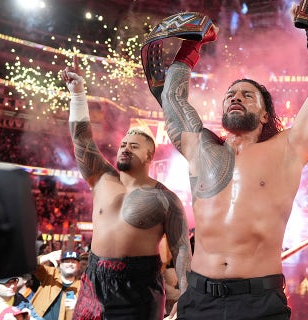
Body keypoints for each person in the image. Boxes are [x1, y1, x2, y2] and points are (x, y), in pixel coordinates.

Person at [156, 6, 308, 320]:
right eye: (231, 94)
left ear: (266, 114)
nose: (236, 97)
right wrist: (190, 47)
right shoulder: (202, 149)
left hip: (259, 302)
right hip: (199, 298)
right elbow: (173, 100)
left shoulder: (287, 149)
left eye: (247, 94)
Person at [60, 58, 191, 319]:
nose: (125, 147)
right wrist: (77, 94)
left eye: (134, 145)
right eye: (123, 143)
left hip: (138, 289)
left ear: (149, 155)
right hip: (94, 283)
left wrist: (186, 298)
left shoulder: (166, 200)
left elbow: (181, 250)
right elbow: (81, 138)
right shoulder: (101, 178)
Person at [30, 250, 81, 320]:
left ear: (78, 266)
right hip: (35, 317)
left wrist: (79, 306)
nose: (70, 264)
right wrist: (46, 257)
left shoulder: (82, 286)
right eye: (67, 261)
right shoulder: (51, 273)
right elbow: (31, 265)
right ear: (61, 264)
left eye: (73, 262)